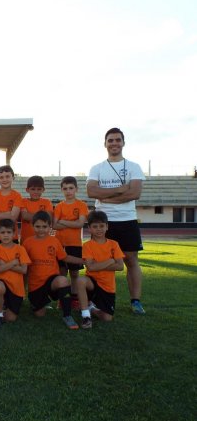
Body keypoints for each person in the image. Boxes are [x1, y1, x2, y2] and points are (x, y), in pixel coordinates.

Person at [87, 127, 146, 315]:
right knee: (100, 260)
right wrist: (120, 190)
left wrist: (108, 197)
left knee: (131, 260)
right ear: (105, 144)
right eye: (110, 140)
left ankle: (135, 301)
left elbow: (135, 193)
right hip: (103, 221)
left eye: (117, 140)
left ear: (123, 143)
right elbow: (91, 192)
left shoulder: (134, 166)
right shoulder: (97, 168)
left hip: (127, 219)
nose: (114, 143)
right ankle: (96, 300)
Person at [23, 211, 84, 330]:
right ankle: (37, 302)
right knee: (39, 314)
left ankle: (67, 315)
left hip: (52, 281)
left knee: (63, 280)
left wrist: (83, 261)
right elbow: (24, 266)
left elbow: (65, 257)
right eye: (38, 226)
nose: (41, 230)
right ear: (32, 226)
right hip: (36, 284)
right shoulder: (27, 243)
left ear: (50, 226)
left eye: (44, 227)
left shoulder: (54, 241)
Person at [75, 211, 125, 328]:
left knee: (107, 318)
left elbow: (120, 266)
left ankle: (91, 308)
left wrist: (98, 265)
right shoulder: (87, 245)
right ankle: (86, 316)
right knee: (80, 280)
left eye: (102, 226)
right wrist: (111, 260)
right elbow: (91, 267)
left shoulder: (114, 244)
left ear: (107, 226)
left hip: (107, 286)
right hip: (92, 283)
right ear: (89, 228)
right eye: (95, 226)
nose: (99, 229)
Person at [0, 219, 31, 327]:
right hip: (0, 282)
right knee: (0, 288)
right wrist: (12, 263)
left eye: (8, 232)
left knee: (11, 318)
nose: (6, 235)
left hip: (16, 288)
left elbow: (24, 270)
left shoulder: (20, 249)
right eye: (3, 232)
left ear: (14, 234)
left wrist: (4, 264)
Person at [52, 176, 89, 302]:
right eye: (65, 188)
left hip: (75, 244)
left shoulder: (82, 205)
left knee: (74, 273)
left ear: (76, 189)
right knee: (62, 272)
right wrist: (71, 222)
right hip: (60, 243)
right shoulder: (59, 206)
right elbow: (54, 225)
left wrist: (63, 221)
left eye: (71, 188)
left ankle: (74, 297)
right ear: (62, 190)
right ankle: (62, 299)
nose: (68, 191)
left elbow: (80, 224)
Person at [0, 165, 23, 244]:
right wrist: (7, 214)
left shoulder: (17, 196)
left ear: (13, 177)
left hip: (11, 236)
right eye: (1, 177)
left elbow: (13, 217)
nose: (4, 179)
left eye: (7, 176)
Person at [20, 175, 53, 244]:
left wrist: (30, 215)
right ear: (27, 190)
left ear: (43, 190)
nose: (36, 192)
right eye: (33, 189)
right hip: (26, 239)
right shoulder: (23, 201)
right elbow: (25, 216)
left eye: (39, 189)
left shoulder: (47, 202)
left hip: (43, 239)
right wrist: (42, 216)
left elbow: (48, 218)